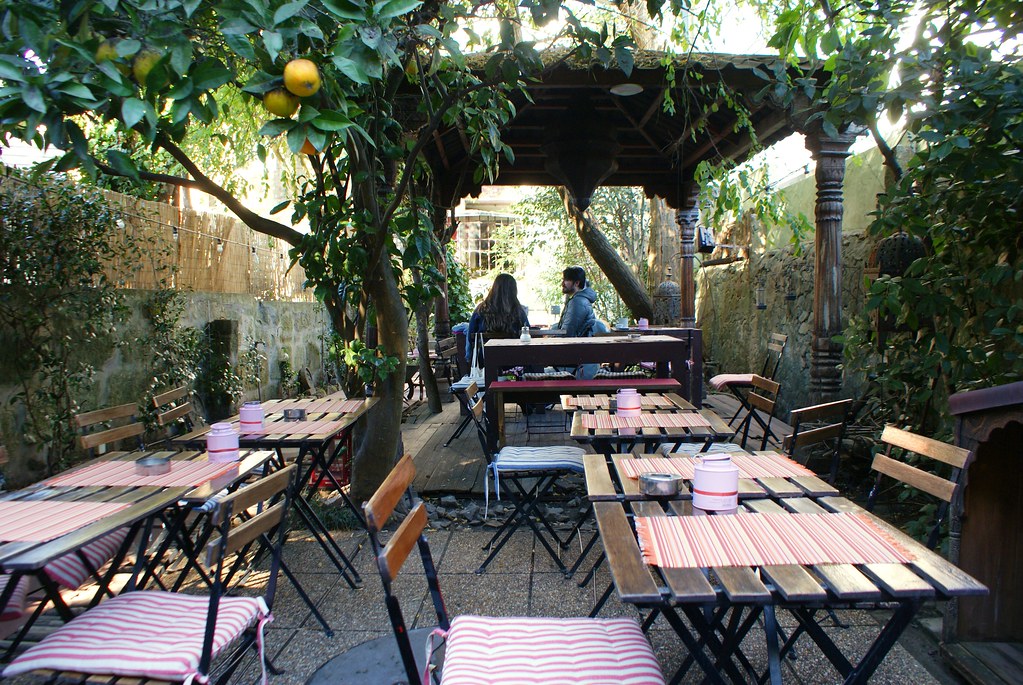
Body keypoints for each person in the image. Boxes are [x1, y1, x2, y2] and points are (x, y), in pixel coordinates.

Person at [466, 273, 529, 364]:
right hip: (514, 360)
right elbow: (527, 332)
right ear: (514, 290)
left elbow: (471, 336)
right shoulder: (518, 311)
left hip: (485, 360)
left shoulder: (480, 310)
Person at [552, 266, 596, 337]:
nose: (562, 284)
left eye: (566, 281)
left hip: (575, 347)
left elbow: (567, 333)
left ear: (576, 283)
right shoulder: (579, 300)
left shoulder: (577, 303)